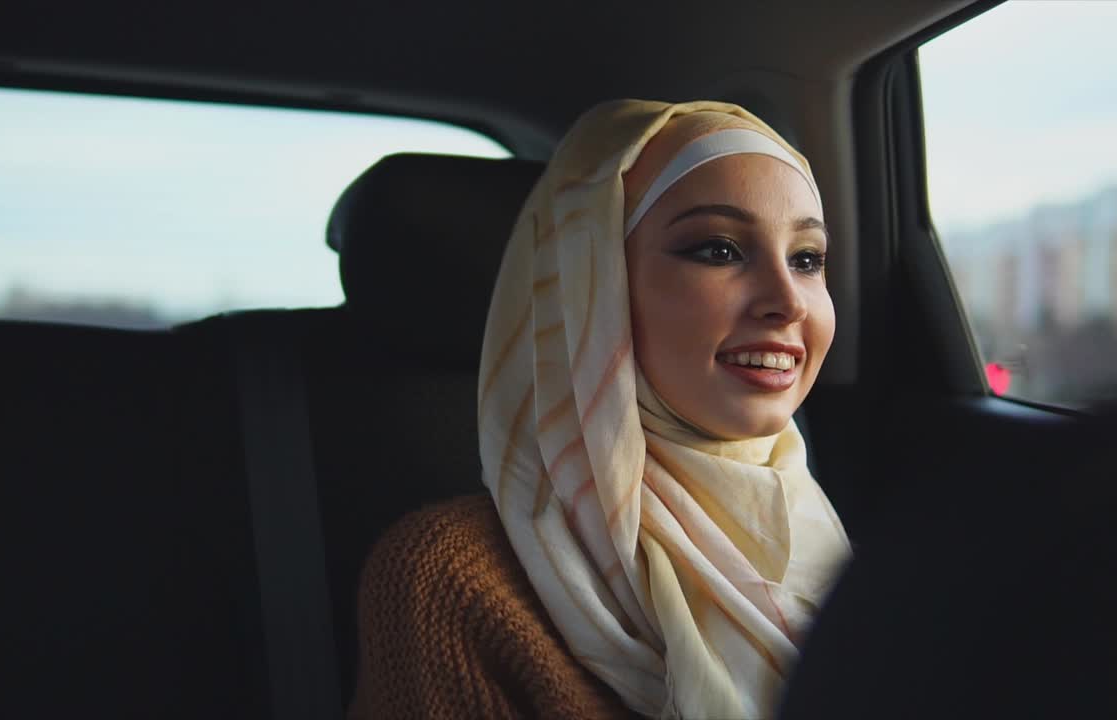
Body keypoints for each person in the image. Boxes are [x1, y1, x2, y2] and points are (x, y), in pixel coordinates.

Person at [349, 99, 851, 720]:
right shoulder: (449, 580)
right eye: (718, 250)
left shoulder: (837, 540)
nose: (789, 301)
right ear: (590, 283)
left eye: (807, 259)